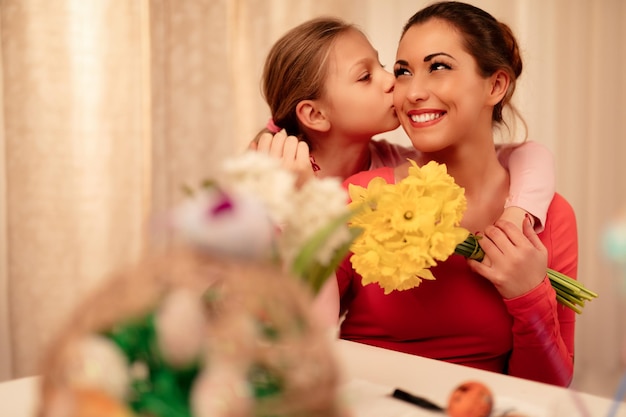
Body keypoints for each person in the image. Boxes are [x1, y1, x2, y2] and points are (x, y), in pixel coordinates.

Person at [336, 2, 577, 387]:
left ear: (495, 86)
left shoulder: (548, 217)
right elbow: (294, 333)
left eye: (439, 67)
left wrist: (531, 295)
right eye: (403, 72)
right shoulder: (364, 197)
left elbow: (550, 391)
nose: (413, 92)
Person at [250, 17, 554, 232]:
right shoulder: (270, 181)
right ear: (315, 115)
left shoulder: (396, 168)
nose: (392, 80)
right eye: (365, 76)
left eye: (384, 66)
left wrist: (517, 213)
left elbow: (528, 155)